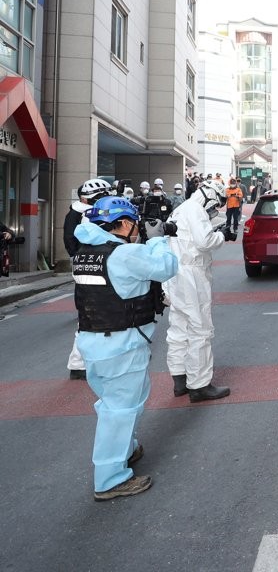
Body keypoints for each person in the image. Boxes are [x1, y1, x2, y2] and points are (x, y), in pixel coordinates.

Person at [72, 196, 178, 500]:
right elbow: (166, 267)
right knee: (118, 410)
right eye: (135, 224)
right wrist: (157, 239)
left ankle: (126, 450)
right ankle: (110, 478)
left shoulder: (87, 252)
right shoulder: (124, 254)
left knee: (113, 403)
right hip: (121, 345)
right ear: (126, 222)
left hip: (93, 344)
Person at [163, 180, 235, 402]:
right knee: (200, 328)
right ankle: (200, 385)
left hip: (173, 273)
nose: (214, 210)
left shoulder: (180, 209)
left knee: (179, 327)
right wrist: (222, 235)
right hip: (191, 275)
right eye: (216, 205)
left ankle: (180, 379)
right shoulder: (195, 210)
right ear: (211, 197)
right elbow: (204, 241)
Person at [63, 178, 113, 380]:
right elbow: (71, 242)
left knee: (95, 314)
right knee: (90, 314)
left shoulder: (81, 213)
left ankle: (82, 363)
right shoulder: (80, 214)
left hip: (91, 266)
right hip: (92, 267)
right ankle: (79, 363)